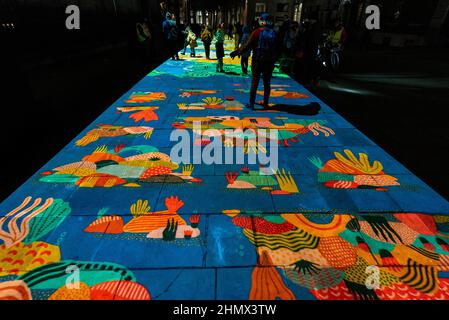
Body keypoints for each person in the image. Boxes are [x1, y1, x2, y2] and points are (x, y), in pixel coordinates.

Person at [230, 13, 279, 110]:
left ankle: (252, 104)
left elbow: (246, 46)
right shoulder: (274, 34)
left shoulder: (256, 32)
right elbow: (278, 49)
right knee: (267, 83)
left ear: (262, 21)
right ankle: (265, 103)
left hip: (257, 61)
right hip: (269, 63)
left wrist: (236, 52)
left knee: (254, 82)